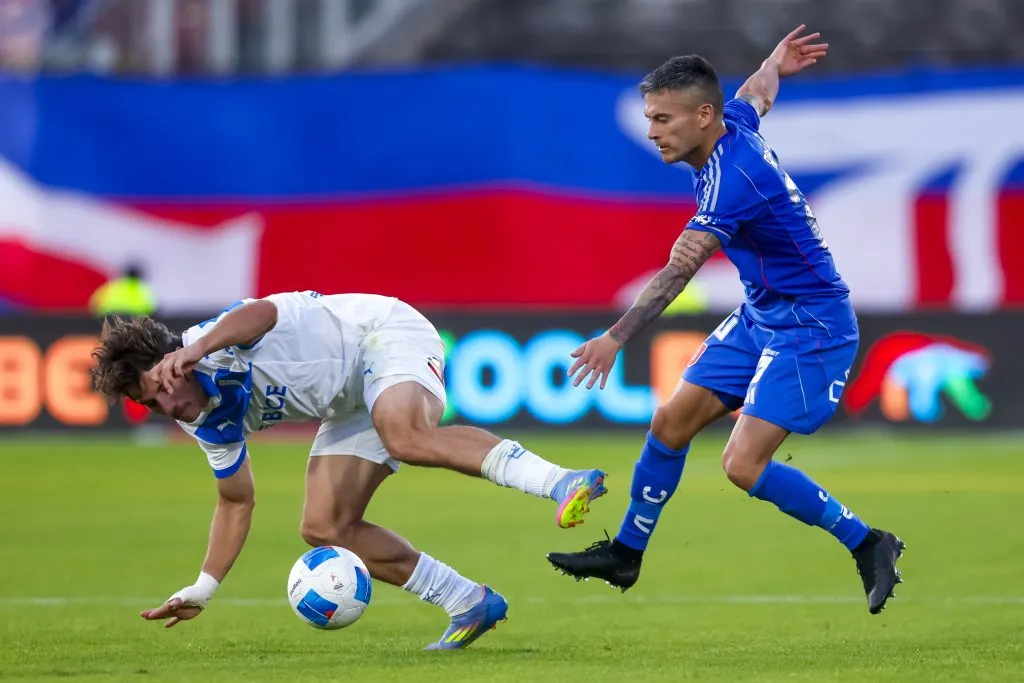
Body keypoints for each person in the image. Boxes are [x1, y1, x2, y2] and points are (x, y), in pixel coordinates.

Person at [546, 26, 904, 615]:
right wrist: (775, 62)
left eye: (663, 118)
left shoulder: (731, 182)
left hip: (812, 325)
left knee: (741, 465)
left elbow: (678, 270)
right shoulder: (732, 125)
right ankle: (626, 554)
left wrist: (615, 336)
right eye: (649, 117)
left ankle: (868, 542)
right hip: (764, 310)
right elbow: (757, 93)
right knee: (670, 423)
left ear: (702, 116)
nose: (652, 130)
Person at [90, 291, 607, 649]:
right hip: (349, 401)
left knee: (406, 436)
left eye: (160, 385)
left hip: (382, 334)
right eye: (150, 403)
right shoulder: (204, 422)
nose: (167, 404)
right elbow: (236, 500)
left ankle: (560, 481)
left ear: (174, 360)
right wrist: (202, 588)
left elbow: (263, 313)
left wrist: (199, 347)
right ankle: (470, 602)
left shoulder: (212, 343)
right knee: (324, 527)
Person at [88, 263, 158, 317]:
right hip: (135, 323)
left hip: (110, 320)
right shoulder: (144, 289)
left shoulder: (112, 285)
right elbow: (152, 310)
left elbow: (94, 304)